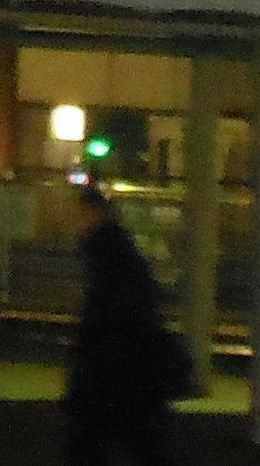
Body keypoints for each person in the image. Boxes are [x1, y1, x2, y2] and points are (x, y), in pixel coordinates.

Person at [63, 178, 188, 466]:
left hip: (112, 366)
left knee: (93, 438)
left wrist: (89, 355)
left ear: (91, 213)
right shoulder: (123, 253)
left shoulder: (105, 254)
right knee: (139, 438)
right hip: (129, 366)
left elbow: (106, 312)